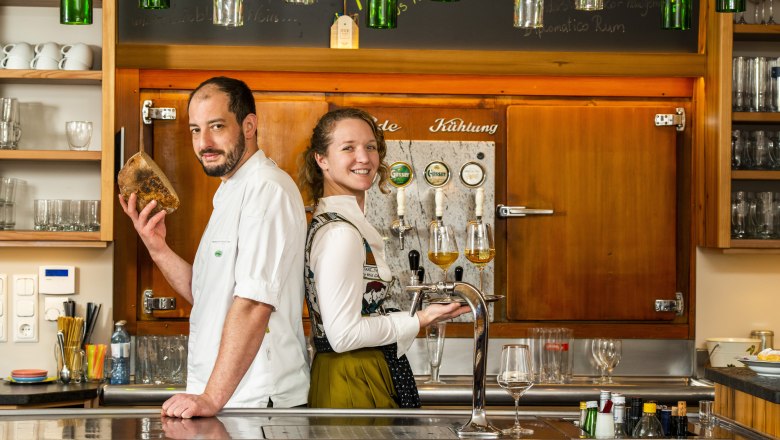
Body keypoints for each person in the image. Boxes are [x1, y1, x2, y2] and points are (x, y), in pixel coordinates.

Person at [119, 76, 310, 418]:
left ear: (249, 125)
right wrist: (157, 246)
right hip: (227, 400)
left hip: (257, 402)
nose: (203, 142)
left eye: (217, 126)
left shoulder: (266, 189)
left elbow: (254, 303)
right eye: (195, 130)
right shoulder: (229, 192)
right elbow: (208, 295)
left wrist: (210, 399)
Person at [299, 108, 470, 408]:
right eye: (348, 148)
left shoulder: (340, 222)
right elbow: (343, 335)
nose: (364, 158)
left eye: (370, 147)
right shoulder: (341, 233)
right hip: (353, 374)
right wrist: (420, 319)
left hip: (358, 370)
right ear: (321, 159)